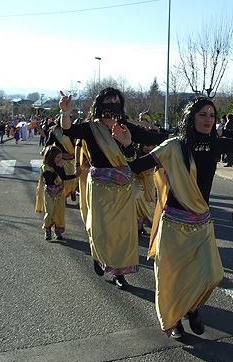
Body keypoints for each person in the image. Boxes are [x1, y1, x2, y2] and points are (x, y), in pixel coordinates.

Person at [126, 96, 233, 339]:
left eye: (212, 115)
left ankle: (193, 307)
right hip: (173, 223)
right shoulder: (173, 146)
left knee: (212, 275)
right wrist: (128, 145)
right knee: (173, 277)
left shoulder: (215, 144)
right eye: (202, 114)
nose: (208, 119)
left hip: (201, 223)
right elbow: (136, 166)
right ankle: (176, 321)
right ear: (191, 117)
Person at [59, 88, 167, 288]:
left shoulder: (124, 126)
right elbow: (68, 130)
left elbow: (149, 138)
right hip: (99, 186)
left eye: (117, 100)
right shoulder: (91, 128)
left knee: (123, 233)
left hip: (123, 187)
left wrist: (177, 136)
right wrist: (65, 112)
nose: (114, 103)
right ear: (101, 103)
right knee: (100, 230)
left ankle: (120, 273)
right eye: (110, 99)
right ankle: (98, 255)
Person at [38, 146, 78, 240]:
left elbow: (64, 177)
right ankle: (47, 229)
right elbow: (50, 180)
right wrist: (58, 169)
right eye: (58, 157)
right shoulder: (46, 167)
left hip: (60, 192)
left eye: (61, 157)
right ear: (51, 158)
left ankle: (58, 230)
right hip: (49, 193)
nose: (60, 159)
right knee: (50, 211)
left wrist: (75, 175)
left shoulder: (60, 165)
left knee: (59, 212)